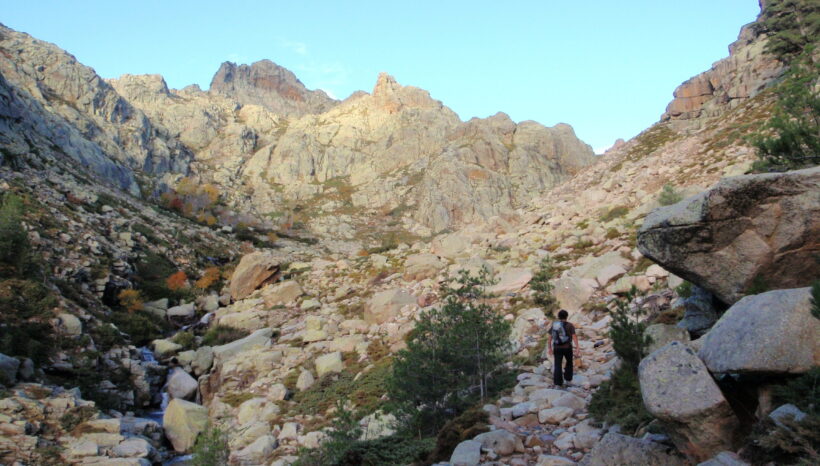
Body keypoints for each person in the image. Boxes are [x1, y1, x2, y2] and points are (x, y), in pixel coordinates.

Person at [548, 309, 580, 387]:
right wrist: (577, 347)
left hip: (557, 348)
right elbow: (574, 336)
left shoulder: (554, 325)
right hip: (567, 347)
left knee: (557, 365)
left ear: (559, 317)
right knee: (569, 363)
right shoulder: (570, 325)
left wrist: (550, 348)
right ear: (566, 316)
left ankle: (558, 384)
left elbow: (550, 337)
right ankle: (568, 380)